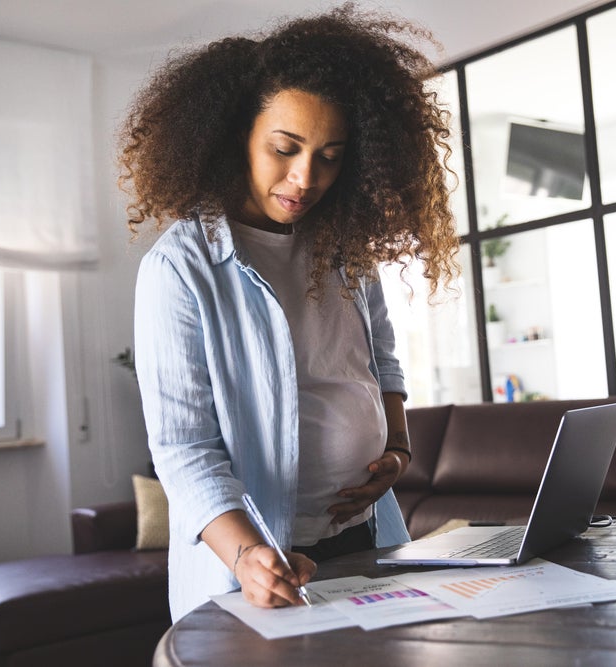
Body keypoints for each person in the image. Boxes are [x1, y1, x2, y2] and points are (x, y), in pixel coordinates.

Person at [117, 4, 460, 620]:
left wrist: (399, 450)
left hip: (368, 535)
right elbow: (184, 447)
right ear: (236, 137)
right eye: (285, 147)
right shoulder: (179, 269)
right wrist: (248, 554)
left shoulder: (345, 249)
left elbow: (381, 359)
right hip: (261, 562)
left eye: (330, 155)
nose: (306, 177)